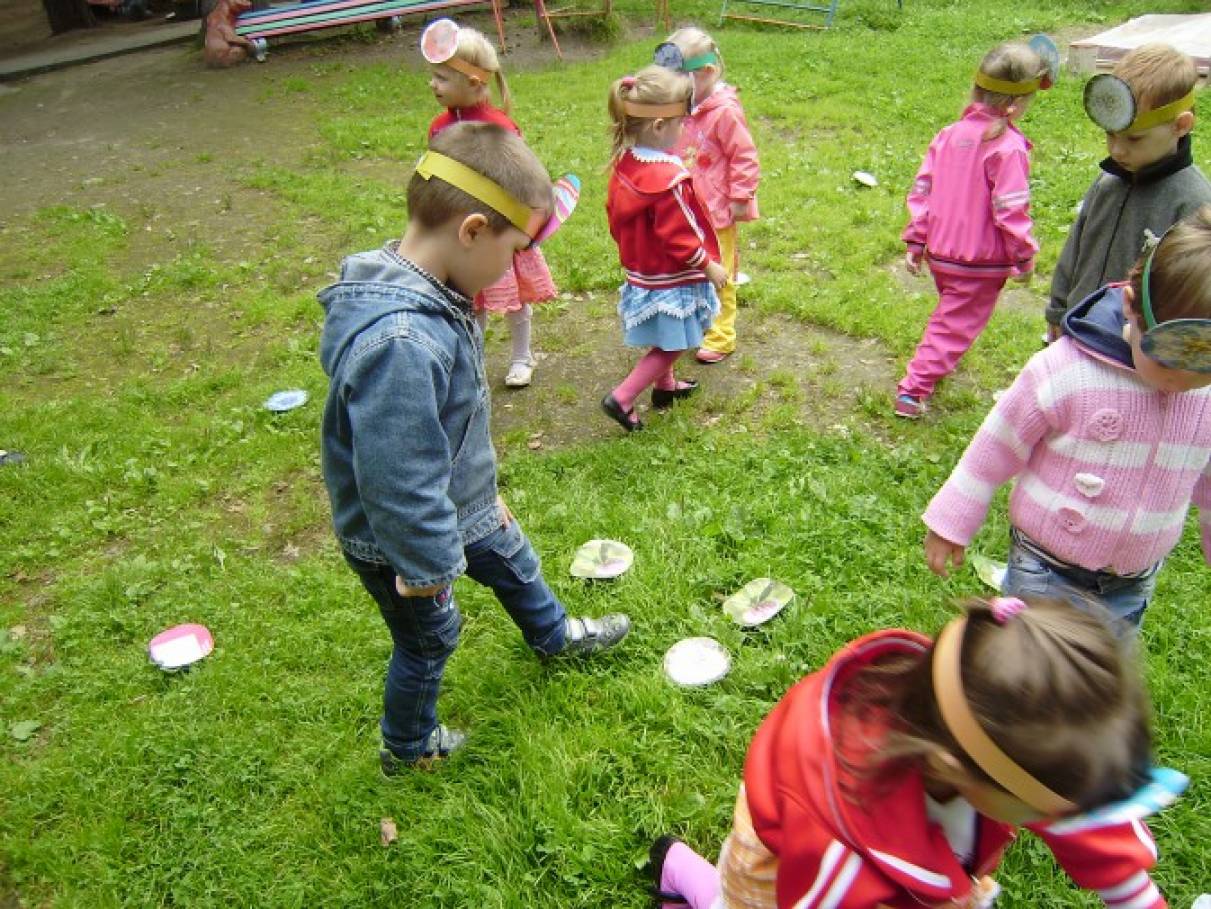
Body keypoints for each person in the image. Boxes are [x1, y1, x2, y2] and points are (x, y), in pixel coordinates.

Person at [318, 122, 631, 772]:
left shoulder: (434, 290)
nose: (515, 267)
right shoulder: (402, 342)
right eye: (515, 250)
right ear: (471, 232)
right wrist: (429, 570)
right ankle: (408, 746)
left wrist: (481, 492)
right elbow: (397, 481)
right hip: (406, 543)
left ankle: (552, 635)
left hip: (460, 499)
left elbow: (442, 427)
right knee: (430, 638)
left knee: (515, 562)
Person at [648, 597, 1179, 909]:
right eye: (1045, 809)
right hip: (786, 862)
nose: (1066, 820)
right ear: (953, 769)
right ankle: (681, 874)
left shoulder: (1002, 723)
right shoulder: (836, 862)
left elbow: (1087, 818)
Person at [923, 207, 1211, 633]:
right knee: (1029, 673)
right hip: (1045, 568)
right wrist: (952, 519)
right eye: (1171, 358)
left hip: (1131, 582)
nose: (1184, 381)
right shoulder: (1067, 373)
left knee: (1100, 683)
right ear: (1131, 307)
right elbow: (996, 445)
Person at [895, 41, 1049, 419]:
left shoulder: (949, 135)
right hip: (978, 262)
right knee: (952, 327)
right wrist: (1024, 255)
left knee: (951, 318)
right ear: (1016, 104)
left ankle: (937, 363)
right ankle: (913, 390)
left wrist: (917, 240)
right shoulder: (1007, 147)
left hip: (941, 252)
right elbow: (1011, 209)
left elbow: (922, 190)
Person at [1045, 43, 1211, 342]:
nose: (1118, 150)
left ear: (1181, 125)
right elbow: (1076, 248)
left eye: (1134, 139)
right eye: (1110, 135)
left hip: (1128, 352)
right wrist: (1058, 311)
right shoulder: (1107, 182)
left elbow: (1190, 298)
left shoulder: (1194, 203)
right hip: (1074, 335)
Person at [425, 19, 558, 388]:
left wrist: (521, 223)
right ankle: (472, 363)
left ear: (474, 83)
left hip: (498, 231)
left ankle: (521, 356)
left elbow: (521, 179)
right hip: (460, 231)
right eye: (433, 76)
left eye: (442, 78)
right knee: (471, 301)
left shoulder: (501, 127)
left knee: (514, 300)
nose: (432, 84)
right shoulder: (439, 126)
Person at [601, 65, 728, 433]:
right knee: (677, 342)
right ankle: (623, 398)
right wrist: (708, 266)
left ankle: (666, 387)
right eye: (680, 122)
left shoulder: (628, 164)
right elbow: (682, 233)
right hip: (671, 275)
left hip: (645, 270)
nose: (683, 128)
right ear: (659, 127)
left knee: (666, 332)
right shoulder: (666, 180)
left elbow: (615, 218)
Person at [658, 26, 760, 365]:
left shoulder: (724, 111)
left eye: (681, 80)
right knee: (688, 267)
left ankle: (721, 335)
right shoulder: (684, 104)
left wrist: (740, 197)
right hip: (684, 209)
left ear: (707, 72)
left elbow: (744, 156)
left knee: (719, 273)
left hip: (717, 211)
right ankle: (695, 321)